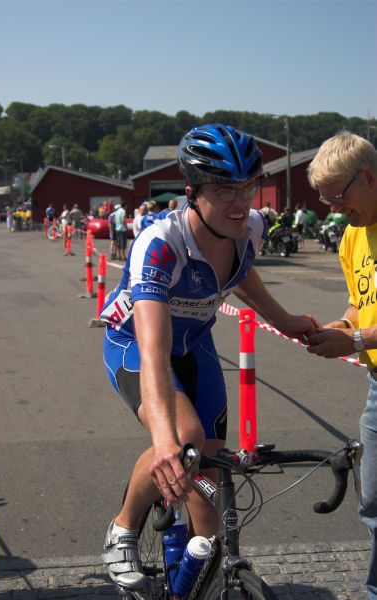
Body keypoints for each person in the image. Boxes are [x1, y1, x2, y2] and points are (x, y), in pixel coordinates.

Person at [99, 123, 320, 590]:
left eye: (248, 188)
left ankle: (195, 572)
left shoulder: (250, 228)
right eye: (225, 190)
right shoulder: (160, 244)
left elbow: (243, 275)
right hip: (135, 345)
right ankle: (121, 529)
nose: (241, 202)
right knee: (184, 439)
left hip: (196, 345)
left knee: (209, 475)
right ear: (192, 192)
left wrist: (285, 320)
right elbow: (155, 355)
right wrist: (163, 441)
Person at [306, 131, 377, 600]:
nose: (333, 208)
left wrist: (350, 340)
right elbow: (359, 305)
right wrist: (337, 326)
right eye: (325, 199)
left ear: (369, 177)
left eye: (338, 196)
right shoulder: (352, 238)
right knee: (372, 502)